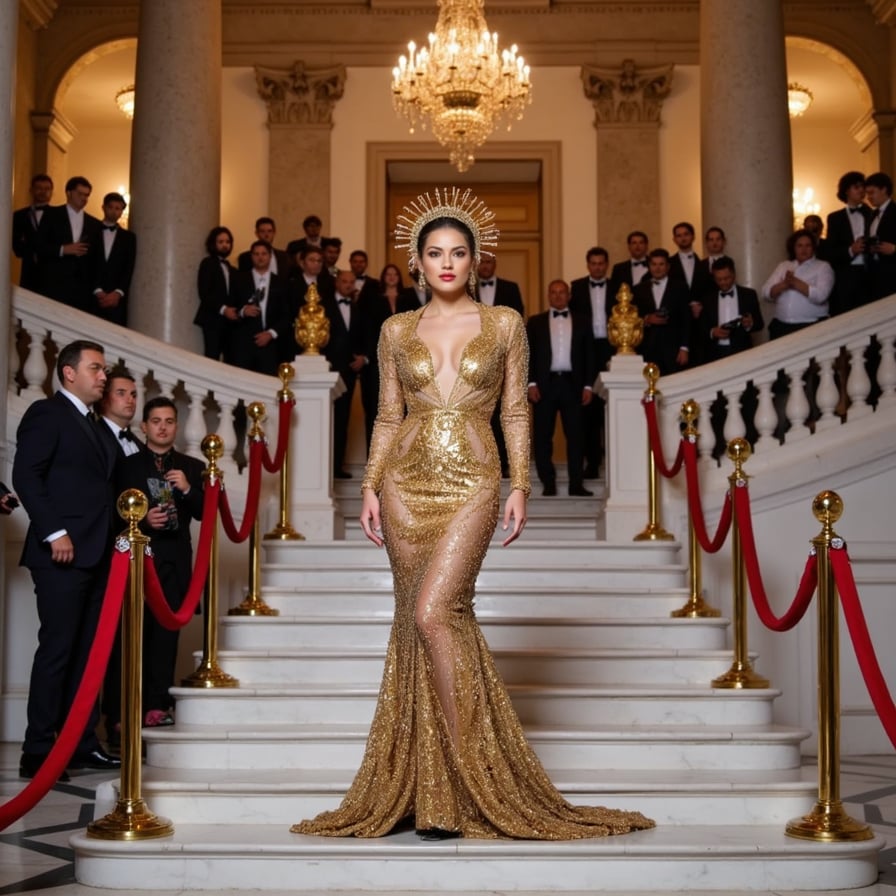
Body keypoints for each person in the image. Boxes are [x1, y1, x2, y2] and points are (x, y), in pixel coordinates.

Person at [292, 187, 653, 840]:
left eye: (459, 251)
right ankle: (434, 797)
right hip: (406, 482)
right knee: (418, 623)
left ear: (476, 257)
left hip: (476, 480)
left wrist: (521, 483)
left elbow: (517, 408)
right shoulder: (395, 329)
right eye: (435, 253)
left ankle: (479, 778)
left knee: (438, 612)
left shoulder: (507, 323)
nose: (447, 263)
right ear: (419, 261)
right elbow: (387, 414)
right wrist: (370, 484)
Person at [13, 340, 122, 780]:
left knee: (86, 655)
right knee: (57, 652)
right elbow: (26, 475)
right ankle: (37, 750)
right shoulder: (47, 414)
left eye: (104, 369)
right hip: (60, 554)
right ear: (68, 372)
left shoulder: (96, 425)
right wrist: (54, 531)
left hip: (97, 554)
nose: (103, 376)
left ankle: (80, 743)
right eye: (96, 368)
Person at [117, 397, 204, 728]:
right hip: (138, 558)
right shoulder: (127, 466)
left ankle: (157, 705)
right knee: (133, 635)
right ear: (144, 426)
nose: (163, 427)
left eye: (169, 421)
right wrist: (140, 523)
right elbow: (113, 513)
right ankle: (124, 710)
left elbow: (206, 512)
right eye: (156, 421)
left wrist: (186, 489)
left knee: (166, 638)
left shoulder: (192, 467)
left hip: (175, 562)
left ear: (177, 427)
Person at [527, 279, 596, 497]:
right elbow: (527, 355)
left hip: (573, 385)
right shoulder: (535, 322)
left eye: (562, 292)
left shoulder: (583, 321)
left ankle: (576, 483)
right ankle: (548, 482)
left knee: (576, 436)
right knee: (542, 436)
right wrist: (530, 383)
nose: (557, 296)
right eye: (553, 292)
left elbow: (590, 356)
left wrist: (588, 385)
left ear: (568, 296)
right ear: (549, 296)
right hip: (544, 385)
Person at [570, 246, 613, 478]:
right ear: (588, 265)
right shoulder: (576, 288)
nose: (597, 267)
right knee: (588, 411)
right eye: (593, 263)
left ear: (606, 264)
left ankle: (614, 459)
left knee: (613, 405)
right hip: (585, 351)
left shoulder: (618, 287)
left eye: (601, 263)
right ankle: (592, 462)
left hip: (612, 349)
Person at [35, 175, 102, 311]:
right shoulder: (51, 214)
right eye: (80, 194)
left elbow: (97, 258)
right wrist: (62, 249)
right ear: (69, 193)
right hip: (54, 285)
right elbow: (39, 247)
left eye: (87, 195)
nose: (84, 198)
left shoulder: (94, 223)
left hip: (83, 290)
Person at [228, 240, 292, 375]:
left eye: (264, 254)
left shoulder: (281, 282)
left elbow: (287, 314)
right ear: (251, 257)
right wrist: (242, 311)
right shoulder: (239, 279)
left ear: (270, 256)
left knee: (268, 386)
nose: (260, 257)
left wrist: (271, 333)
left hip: (271, 345)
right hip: (243, 344)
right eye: (256, 254)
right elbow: (231, 307)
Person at [762, 229, 834, 338]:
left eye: (807, 245)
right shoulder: (784, 266)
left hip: (811, 325)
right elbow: (765, 292)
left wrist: (796, 283)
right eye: (799, 246)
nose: (803, 249)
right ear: (793, 248)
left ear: (813, 248)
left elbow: (821, 296)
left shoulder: (823, 267)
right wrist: (784, 285)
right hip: (781, 326)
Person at [632, 248, 692, 375]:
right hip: (647, 348)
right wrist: (647, 319)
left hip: (673, 349)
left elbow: (686, 319)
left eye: (661, 264)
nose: (657, 268)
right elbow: (634, 319)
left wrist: (684, 347)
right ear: (649, 266)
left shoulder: (680, 287)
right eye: (654, 264)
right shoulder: (639, 289)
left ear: (668, 266)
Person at [700, 256, 764, 363]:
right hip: (715, 353)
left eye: (727, 278)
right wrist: (712, 332)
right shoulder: (707, 299)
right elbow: (701, 328)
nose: (723, 282)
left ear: (734, 275)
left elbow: (760, 324)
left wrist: (750, 324)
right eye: (719, 279)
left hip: (742, 351)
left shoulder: (749, 295)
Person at [825, 171, 872, 314]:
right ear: (846, 190)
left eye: (862, 187)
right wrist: (851, 250)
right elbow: (830, 252)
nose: (861, 190)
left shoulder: (872, 213)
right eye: (856, 187)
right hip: (846, 275)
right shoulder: (835, 218)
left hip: (870, 273)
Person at [90, 191, 137, 326]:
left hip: (117, 300)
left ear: (122, 211)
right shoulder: (91, 231)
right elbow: (87, 264)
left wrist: (118, 293)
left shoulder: (129, 238)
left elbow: (129, 267)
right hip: (92, 297)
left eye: (118, 208)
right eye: (111, 207)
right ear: (103, 207)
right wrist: (97, 290)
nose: (114, 212)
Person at [12, 173, 53, 291]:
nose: (43, 192)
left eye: (47, 189)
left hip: (52, 273)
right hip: (28, 271)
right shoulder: (19, 215)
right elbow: (16, 245)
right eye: (39, 188)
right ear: (31, 190)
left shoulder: (59, 215)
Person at [864, 171, 896, 300]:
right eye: (867, 194)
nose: (869, 197)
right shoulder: (871, 215)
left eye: (872, 193)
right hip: (874, 276)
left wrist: (894, 249)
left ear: (884, 190)